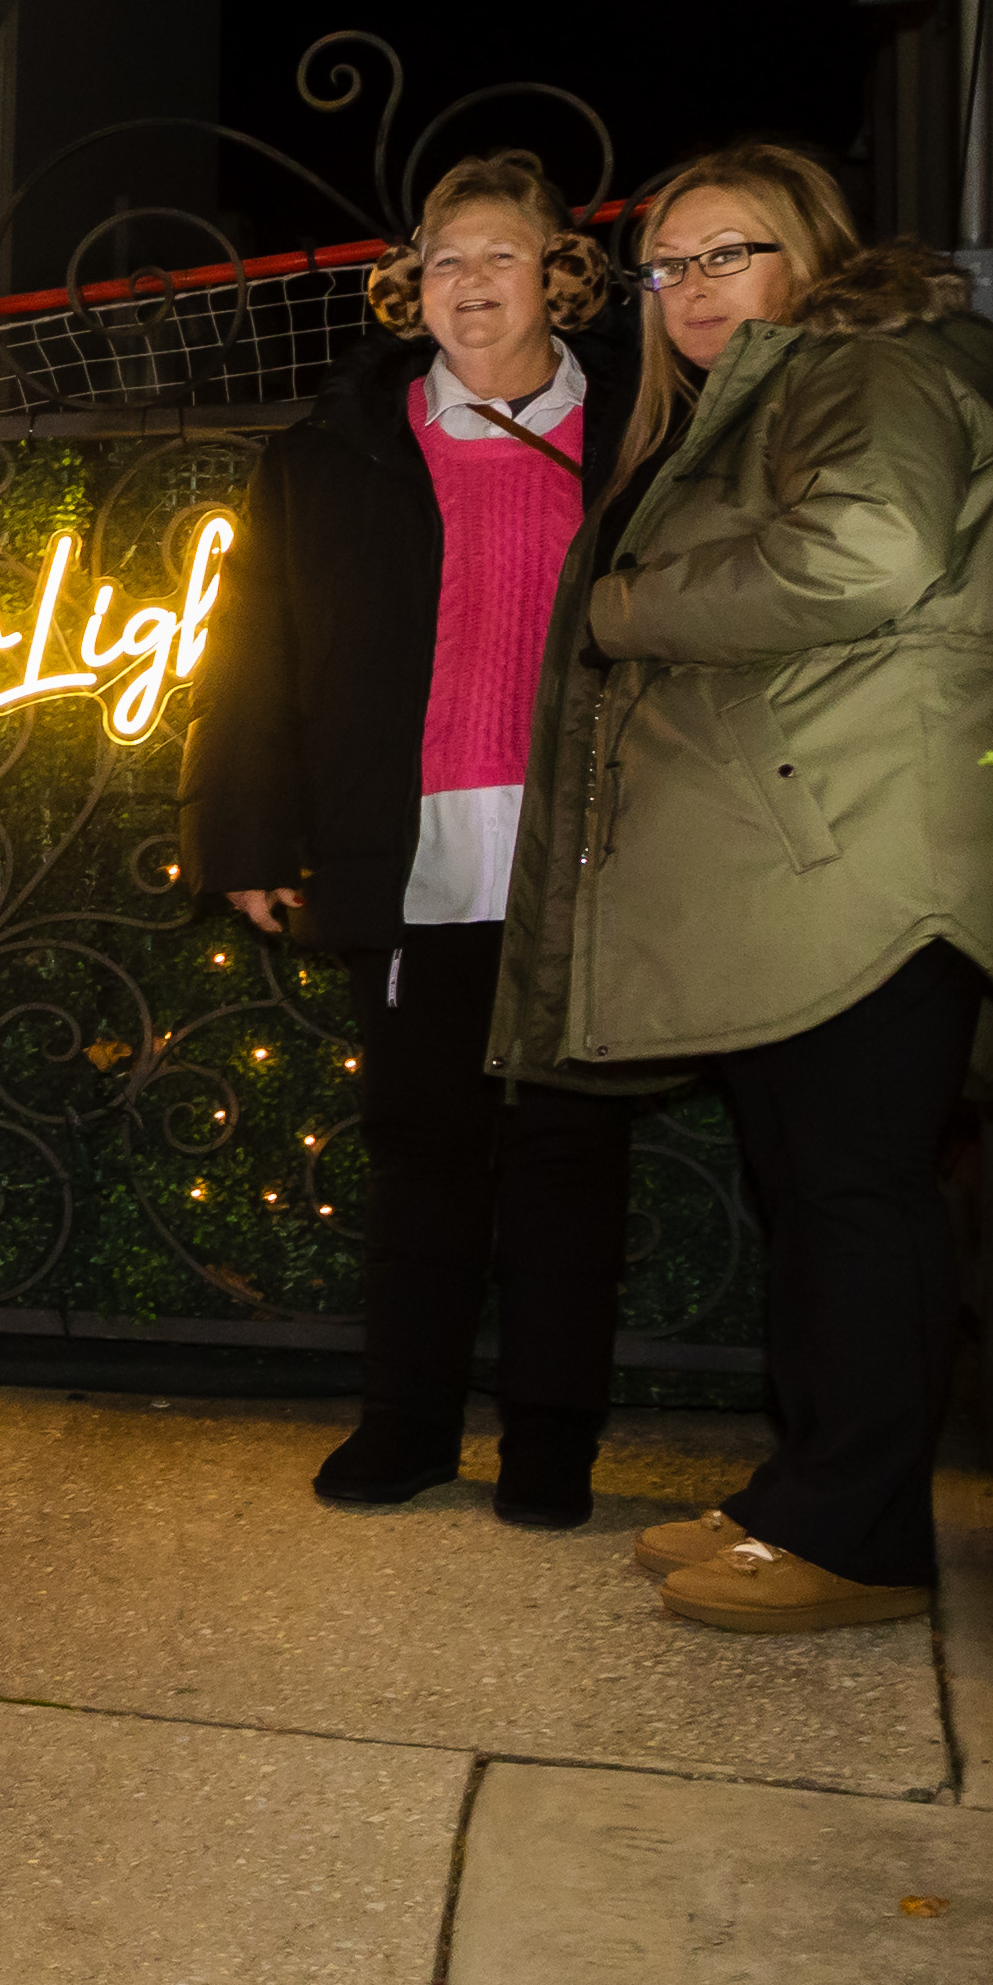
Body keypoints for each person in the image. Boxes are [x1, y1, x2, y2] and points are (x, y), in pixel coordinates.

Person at [500, 137, 993, 1634]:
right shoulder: (787, 389)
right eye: (668, 267)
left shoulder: (863, 367)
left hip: (871, 859)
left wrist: (629, 606)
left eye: (727, 253)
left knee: (855, 1196)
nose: (689, 292)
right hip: (819, 854)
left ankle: (859, 1542)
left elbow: (864, 554)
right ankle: (808, 1495)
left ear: (811, 248)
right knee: (812, 1192)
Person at [179, 153, 643, 1525]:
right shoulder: (337, 451)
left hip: (590, 864)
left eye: (503, 256)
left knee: (570, 1163)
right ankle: (409, 1425)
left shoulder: (638, 433)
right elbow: (252, 650)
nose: (472, 285)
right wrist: (250, 831)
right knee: (420, 1150)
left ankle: (554, 1444)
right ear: (410, 289)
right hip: (416, 861)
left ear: (561, 273)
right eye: (445, 262)